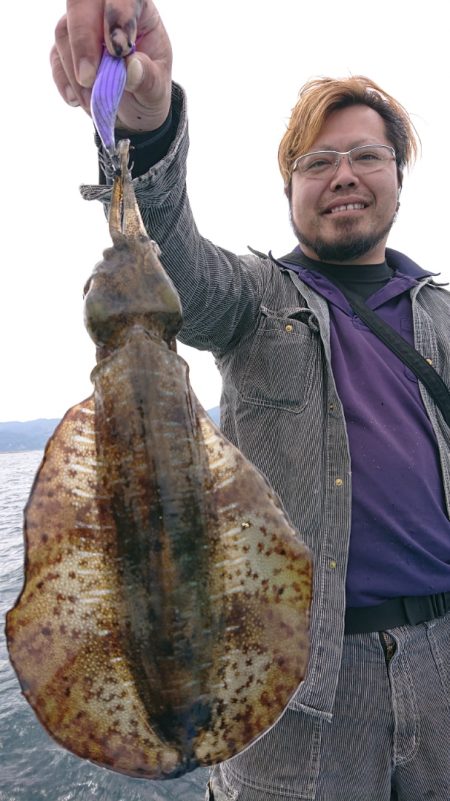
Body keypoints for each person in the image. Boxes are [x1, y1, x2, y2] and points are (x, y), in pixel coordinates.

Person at [51, 3, 450, 799]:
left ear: (400, 175)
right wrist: (148, 123)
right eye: (317, 160)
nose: (342, 173)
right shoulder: (256, 299)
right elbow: (169, 255)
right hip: (294, 686)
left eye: (366, 156)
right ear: (290, 188)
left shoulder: (441, 315)